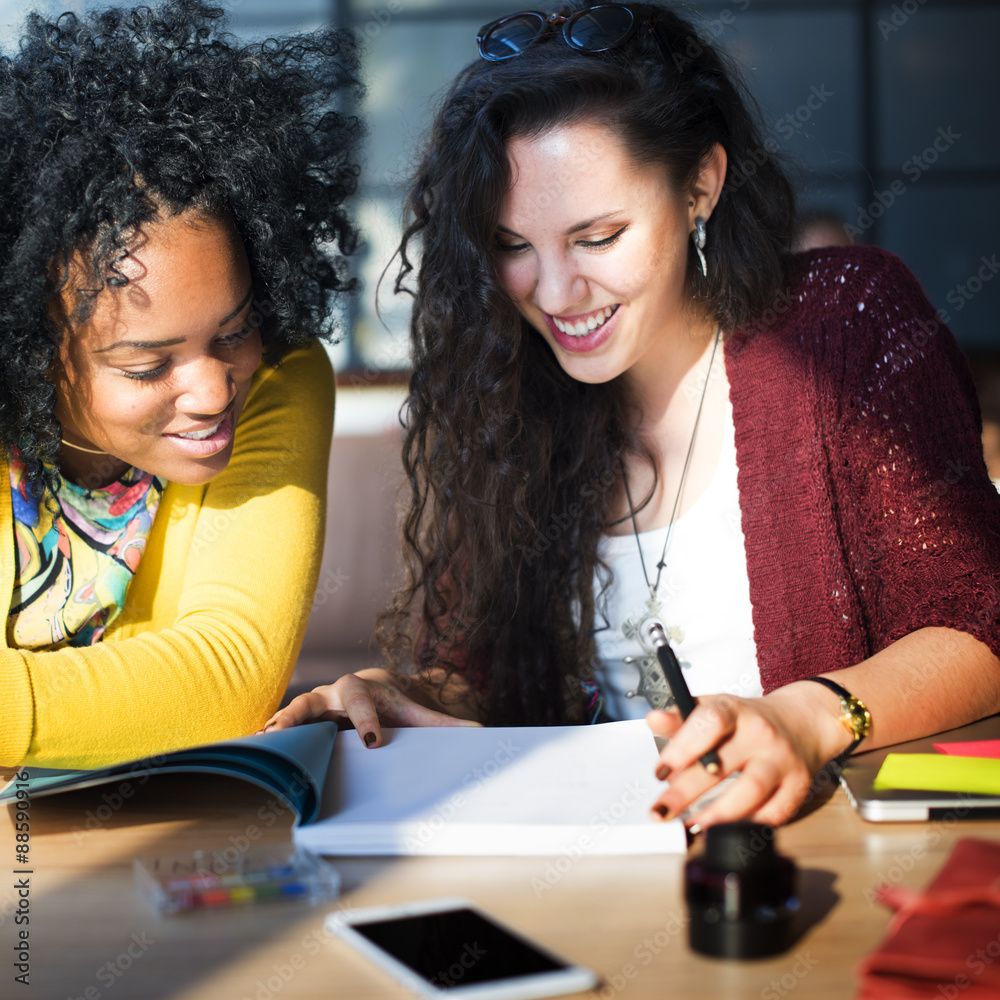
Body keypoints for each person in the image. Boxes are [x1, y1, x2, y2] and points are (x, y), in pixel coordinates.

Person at [266, 1, 1000, 830]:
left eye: (598, 235)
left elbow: (979, 620)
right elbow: (476, 672)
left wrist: (802, 718)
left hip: (805, 865)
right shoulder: (511, 391)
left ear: (700, 186)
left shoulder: (846, 322)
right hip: (609, 890)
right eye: (513, 246)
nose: (553, 293)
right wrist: (405, 698)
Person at [0, 1, 360, 769]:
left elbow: (225, 681)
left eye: (232, 332)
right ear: (33, 352)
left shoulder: (278, 379)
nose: (210, 391)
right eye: (147, 366)